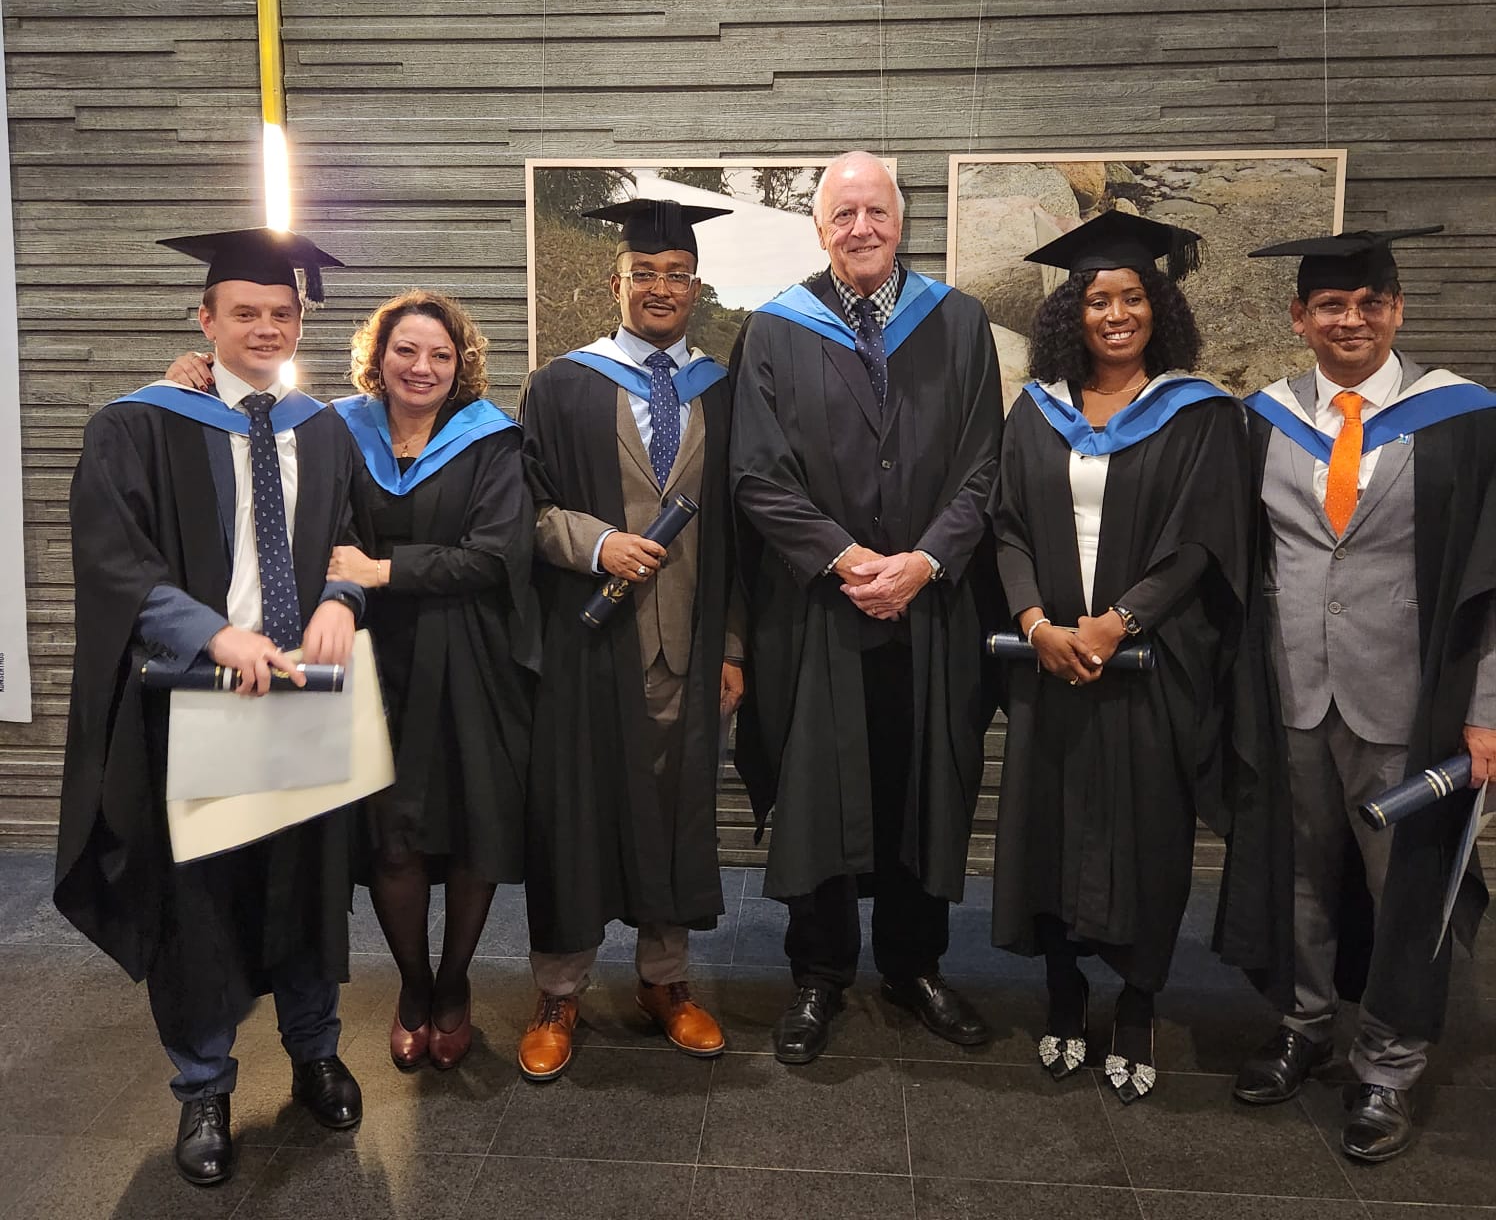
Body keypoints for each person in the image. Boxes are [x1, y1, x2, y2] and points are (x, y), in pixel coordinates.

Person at [54, 228, 365, 1188]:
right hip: (197, 697)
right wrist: (207, 632)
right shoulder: (139, 424)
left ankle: (315, 1049)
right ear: (206, 319)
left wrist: (337, 602)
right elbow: (114, 561)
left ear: (301, 320)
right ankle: (204, 1084)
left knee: (309, 884)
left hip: (303, 697)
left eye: (281, 312)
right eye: (245, 312)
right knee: (201, 903)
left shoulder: (320, 428)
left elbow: (347, 540)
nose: (265, 327)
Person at [167, 289, 541, 1074]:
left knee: (474, 830)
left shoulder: (492, 440)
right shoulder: (334, 430)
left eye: (441, 354)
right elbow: (291, 496)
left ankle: (454, 985)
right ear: (378, 356)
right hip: (365, 656)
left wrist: (384, 568)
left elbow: (497, 553)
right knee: (391, 836)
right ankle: (412, 987)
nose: (423, 367)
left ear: (460, 363)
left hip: (470, 656)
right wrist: (189, 375)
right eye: (406, 350)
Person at [1227, 226, 1496, 1161]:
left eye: (1370, 302)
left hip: (1408, 699)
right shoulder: (1263, 418)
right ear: (1300, 318)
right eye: (1332, 305)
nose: (1352, 319)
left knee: (1405, 886)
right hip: (1293, 687)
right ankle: (1303, 1026)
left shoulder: (1463, 417)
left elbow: (1493, 580)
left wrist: (1487, 710)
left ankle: (1388, 1067)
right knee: (1300, 874)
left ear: (1397, 310)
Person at [730, 150, 1004, 1065]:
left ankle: (915, 964)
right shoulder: (774, 329)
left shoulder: (960, 324)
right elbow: (754, 474)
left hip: (929, 609)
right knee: (820, 788)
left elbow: (984, 466)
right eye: (842, 214)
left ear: (902, 218)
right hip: (819, 609)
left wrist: (925, 561)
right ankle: (818, 974)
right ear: (819, 227)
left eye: (874, 212)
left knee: (922, 778)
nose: (860, 229)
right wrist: (847, 559)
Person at [987, 211, 1251, 1104]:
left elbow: (1201, 538)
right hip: (1049, 660)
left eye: (1131, 296)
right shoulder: (1037, 410)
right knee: (1049, 823)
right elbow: (1008, 524)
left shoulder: (1199, 412)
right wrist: (1034, 622)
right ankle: (1064, 991)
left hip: (1147, 665)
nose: (1114, 313)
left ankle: (1137, 1001)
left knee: (1148, 834)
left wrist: (1118, 624)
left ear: (1158, 305)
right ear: (1073, 312)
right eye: (1097, 298)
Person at [514, 197, 744, 1081]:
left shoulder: (722, 393)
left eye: (675, 275)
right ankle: (560, 991)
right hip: (588, 640)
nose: (660, 288)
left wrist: (733, 647)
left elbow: (743, 533)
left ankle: (665, 982)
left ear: (695, 285)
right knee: (575, 812)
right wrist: (595, 541)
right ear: (615, 282)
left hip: (688, 643)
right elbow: (521, 515)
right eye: (643, 273)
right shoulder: (560, 385)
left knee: (678, 810)